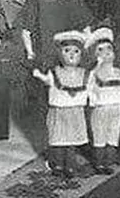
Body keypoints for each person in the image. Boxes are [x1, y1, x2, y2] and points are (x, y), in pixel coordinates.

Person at [32, 30, 90, 180]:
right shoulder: (55, 72)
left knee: (71, 139)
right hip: (59, 109)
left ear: (81, 55)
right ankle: (57, 164)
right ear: (59, 54)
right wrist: (40, 76)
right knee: (58, 138)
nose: (71, 54)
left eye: (76, 51)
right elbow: (48, 81)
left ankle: (70, 164)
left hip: (75, 110)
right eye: (67, 51)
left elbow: (91, 87)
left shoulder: (84, 73)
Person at [85, 27, 120, 174]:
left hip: (116, 107)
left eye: (109, 48)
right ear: (95, 55)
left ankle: (110, 158)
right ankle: (99, 162)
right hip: (101, 108)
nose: (106, 52)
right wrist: (94, 101)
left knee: (114, 133)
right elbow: (89, 89)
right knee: (99, 134)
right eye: (100, 50)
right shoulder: (94, 73)